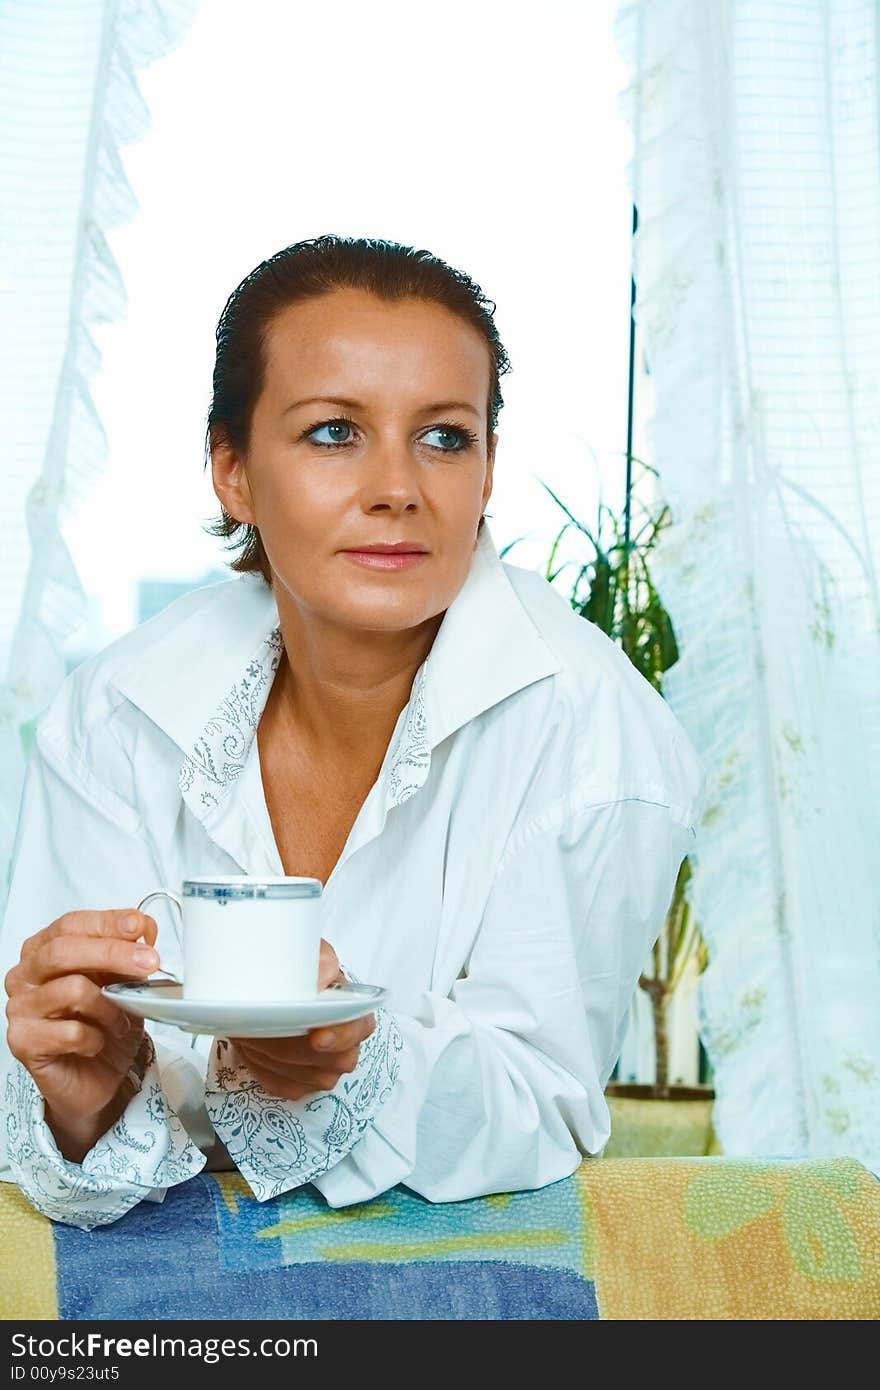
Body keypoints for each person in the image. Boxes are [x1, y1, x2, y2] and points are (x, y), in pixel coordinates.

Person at [0, 234, 706, 1232]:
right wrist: (80, 1098)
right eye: (334, 431)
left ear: (489, 467)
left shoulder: (598, 735)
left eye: (445, 436)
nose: (397, 486)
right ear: (233, 471)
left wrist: (352, 1057)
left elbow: (541, 1104)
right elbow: (75, 1109)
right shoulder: (115, 712)